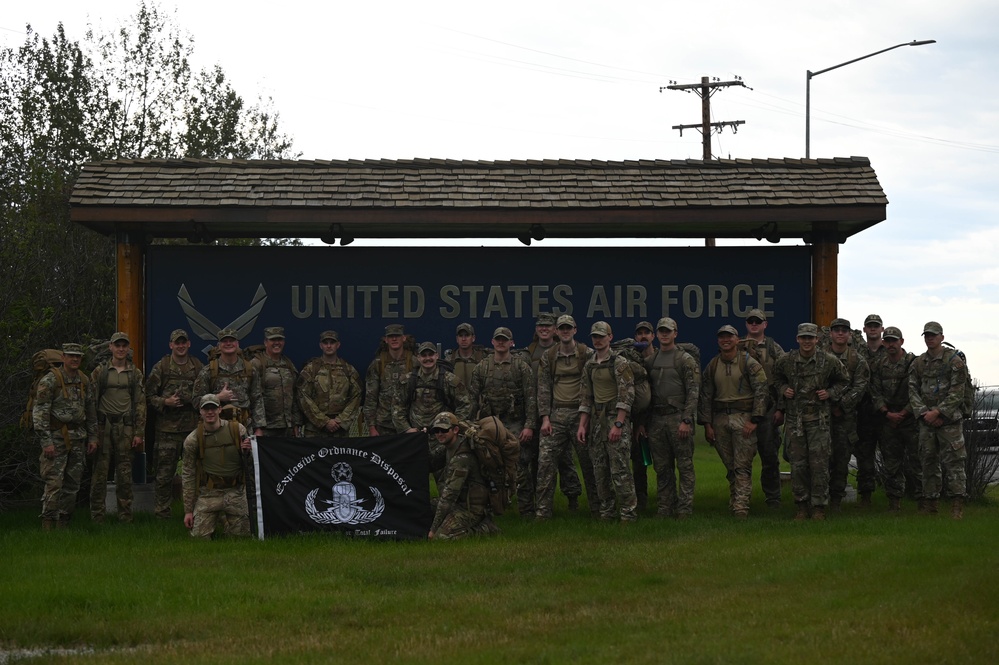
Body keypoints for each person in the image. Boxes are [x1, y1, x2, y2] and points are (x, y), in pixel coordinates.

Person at [774, 323, 849, 521]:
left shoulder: (829, 361)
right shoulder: (786, 361)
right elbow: (776, 378)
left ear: (817, 339)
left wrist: (830, 393)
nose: (807, 341)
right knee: (798, 465)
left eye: (810, 338)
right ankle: (801, 506)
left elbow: (844, 380)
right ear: (797, 339)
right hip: (795, 421)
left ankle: (818, 507)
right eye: (803, 338)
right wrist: (783, 389)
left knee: (819, 465)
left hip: (819, 421)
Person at [699, 324, 768, 518]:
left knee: (742, 466)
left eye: (729, 336)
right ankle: (735, 499)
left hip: (744, 418)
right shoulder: (713, 365)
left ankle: (741, 508)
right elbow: (706, 396)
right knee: (730, 466)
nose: (725, 340)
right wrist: (707, 424)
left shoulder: (749, 363)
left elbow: (762, 390)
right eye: (722, 337)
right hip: (720, 420)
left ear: (737, 340)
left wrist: (755, 420)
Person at [469, 326, 539, 517]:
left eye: (504, 340)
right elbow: (472, 398)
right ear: (492, 342)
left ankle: (526, 510)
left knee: (520, 466)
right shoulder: (482, 367)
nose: (501, 343)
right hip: (490, 423)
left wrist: (529, 426)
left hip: (515, 422)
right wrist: (470, 424)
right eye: (498, 339)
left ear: (511, 343)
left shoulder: (521, 367)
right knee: (489, 466)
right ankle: (492, 509)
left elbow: (531, 398)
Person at [519, 313, 583, 514]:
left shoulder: (564, 351)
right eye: (541, 326)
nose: (544, 329)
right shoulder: (529, 352)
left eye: (548, 325)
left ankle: (572, 497)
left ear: (554, 329)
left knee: (565, 460)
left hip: (560, 413)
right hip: (536, 411)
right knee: (538, 461)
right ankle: (539, 505)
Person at [33, 343, 99, 529]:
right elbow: (40, 414)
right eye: (71, 356)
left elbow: (90, 411)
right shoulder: (50, 380)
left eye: (78, 356)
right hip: (56, 438)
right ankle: (48, 525)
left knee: (72, 484)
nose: (75, 359)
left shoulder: (83, 380)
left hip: (78, 438)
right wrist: (46, 442)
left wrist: (93, 437)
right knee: (54, 483)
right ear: (63, 357)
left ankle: (64, 524)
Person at [577, 321, 637, 522]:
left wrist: (619, 424)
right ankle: (607, 512)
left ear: (610, 337)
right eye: (595, 336)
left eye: (601, 336)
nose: (598, 340)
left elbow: (626, 395)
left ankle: (628, 513)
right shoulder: (590, 364)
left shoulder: (619, 362)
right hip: (597, 421)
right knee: (600, 470)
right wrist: (582, 425)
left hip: (615, 419)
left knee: (620, 470)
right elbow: (586, 397)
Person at [536, 314, 595, 519]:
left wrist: (587, 418)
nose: (565, 331)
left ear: (575, 330)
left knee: (589, 463)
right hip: (556, 416)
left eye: (568, 328)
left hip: (581, 415)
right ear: (556, 331)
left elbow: (592, 386)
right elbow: (543, 388)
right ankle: (543, 513)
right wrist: (545, 418)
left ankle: (598, 509)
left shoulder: (586, 354)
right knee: (545, 463)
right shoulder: (549, 356)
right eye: (561, 328)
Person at [640, 317, 700, 519]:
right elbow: (645, 395)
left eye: (668, 331)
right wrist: (643, 423)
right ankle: (665, 507)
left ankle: (684, 508)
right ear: (656, 334)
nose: (664, 334)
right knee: (662, 468)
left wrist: (686, 420)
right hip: (657, 420)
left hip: (678, 418)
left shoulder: (685, 360)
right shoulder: (650, 361)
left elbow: (693, 392)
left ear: (675, 333)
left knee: (684, 466)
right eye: (661, 331)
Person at [908, 321, 969, 519]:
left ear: (942, 337)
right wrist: (925, 413)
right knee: (928, 463)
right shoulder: (918, 363)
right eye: (927, 335)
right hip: (926, 422)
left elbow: (957, 392)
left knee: (954, 464)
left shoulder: (954, 361)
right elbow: (912, 390)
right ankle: (931, 504)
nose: (930, 338)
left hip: (949, 422)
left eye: (933, 335)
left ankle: (957, 506)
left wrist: (939, 413)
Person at [89, 332, 147, 523]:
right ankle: (97, 516)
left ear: (128, 348)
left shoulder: (135, 373)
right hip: (103, 427)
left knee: (124, 473)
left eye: (124, 346)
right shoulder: (100, 372)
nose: (121, 349)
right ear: (111, 347)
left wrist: (139, 433)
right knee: (100, 473)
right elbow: (91, 403)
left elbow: (140, 404)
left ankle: (125, 516)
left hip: (125, 428)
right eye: (117, 345)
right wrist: (93, 435)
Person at [147, 328, 204, 519]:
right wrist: (166, 402)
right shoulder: (161, 367)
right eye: (177, 343)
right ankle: (162, 514)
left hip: (192, 430)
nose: (180, 346)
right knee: (164, 476)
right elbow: (148, 397)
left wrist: (192, 400)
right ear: (171, 345)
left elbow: (204, 395)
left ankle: (197, 513)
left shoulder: (197, 366)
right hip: (167, 431)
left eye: (183, 342)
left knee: (195, 474)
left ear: (189, 344)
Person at [394, 341, 472, 479]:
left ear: (436, 356)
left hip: (441, 440)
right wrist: (406, 429)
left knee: (444, 481)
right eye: (424, 355)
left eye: (430, 355)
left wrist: (452, 427)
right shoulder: (407, 381)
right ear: (418, 357)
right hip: (416, 439)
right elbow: (397, 407)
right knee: (414, 482)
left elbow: (465, 404)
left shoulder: (449, 380)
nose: (427, 358)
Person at [181, 394, 252, 538]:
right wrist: (188, 511)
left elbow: (251, 465)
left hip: (235, 492)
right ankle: (219, 517)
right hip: (209, 494)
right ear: (200, 411)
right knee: (199, 538)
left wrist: (247, 452)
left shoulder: (237, 430)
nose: (210, 412)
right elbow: (188, 474)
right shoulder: (193, 439)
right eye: (206, 409)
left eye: (213, 408)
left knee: (241, 537)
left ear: (219, 409)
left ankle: (225, 520)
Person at [869, 326, 921, 512]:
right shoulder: (878, 365)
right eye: (888, 341)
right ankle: (894, 502)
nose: (891, 344)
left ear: (902, 342)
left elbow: (918, 391)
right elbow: (874, 391)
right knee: (891, 464)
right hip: (889, 421)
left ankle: (924, 501)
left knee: (918, 462)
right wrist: (887, 413)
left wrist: (904, 413)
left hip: (911, 420)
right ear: (883, 343)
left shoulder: (914, 363)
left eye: (894, 341)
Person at [427, 412, 500, 540]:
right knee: (423, 508)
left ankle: (486, 528)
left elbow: (449, 496)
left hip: (470, 509)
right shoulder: (448, 447)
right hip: (456, 504)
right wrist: (422, 441)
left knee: (442, 537)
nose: (439, 434)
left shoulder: (462, 458)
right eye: (436, 430)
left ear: (455, 430)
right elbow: (430, 464)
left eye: (444, 430)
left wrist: (433, 530)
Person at [742, 307, 786, 508]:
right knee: (741, 458)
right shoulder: (738, 346)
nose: (754, 324)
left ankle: (773, 498)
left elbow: (784, 378)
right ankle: (741, 498)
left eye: (758, 321)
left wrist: (781, 409)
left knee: (769, 455)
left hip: (769, 408)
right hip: (744, 408)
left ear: (765, 324)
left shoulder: (774, 348)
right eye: (751, 321)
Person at [826, 318, 870, 511]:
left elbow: (860, 388)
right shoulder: (820, 357)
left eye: (844, 330)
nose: (840, 333)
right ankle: (819, 499)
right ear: (830, 334)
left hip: (845, 418)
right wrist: (829, 405)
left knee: (841, 459)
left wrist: (841, 406)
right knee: (820, 459)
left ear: (850, 335)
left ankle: (836, 500)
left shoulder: (857, 360)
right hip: (822, 416)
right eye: (836, 330)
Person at [193, 328, 266, 435]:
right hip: (216, 430)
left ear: (237, 344)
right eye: (224, 341)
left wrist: (259, 428)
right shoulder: (209, 371)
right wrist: (217, 397)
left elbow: (257, 399)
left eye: (231, 340)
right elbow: (196, 401)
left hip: (245, 429)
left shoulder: (250, 369)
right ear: (219, 345)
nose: (228, 343)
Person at [297, 330, 362, 437]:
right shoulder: (311, 369)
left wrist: (340, 420)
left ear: (338, 345)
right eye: (325, 343)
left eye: (332, 342)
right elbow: (302, 396)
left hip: (340, 430)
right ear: (320, 345)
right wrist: (324, 421)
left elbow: (356, 396)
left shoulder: (348, 370)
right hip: (315, 430)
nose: (328, 346)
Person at [854, 313, 886, 506]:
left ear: (882, 329)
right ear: (864, 329)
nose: (873, 328)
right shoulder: (857, 352)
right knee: (864, 457)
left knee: (891, 456)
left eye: (876, 325)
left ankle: (895, 499)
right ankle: (865, 497)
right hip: (864, 411)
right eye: (870, 325)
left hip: (885, 412)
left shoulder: (890, 349)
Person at [363, 324, 416, 437]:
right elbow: (370, 398)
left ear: (403, 338)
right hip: (383, 425)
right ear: (386, 340)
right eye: (391, 336)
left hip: (408, 424)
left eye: (397, 336)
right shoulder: (377, 364)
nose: (394, 339)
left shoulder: (414, 362)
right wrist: (371, 427)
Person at [250, 326, 301, 437]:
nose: (277, 343)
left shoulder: (288, 364)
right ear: (265, 342)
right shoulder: (257, 363)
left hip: (287, 427)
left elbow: (294, 395)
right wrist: (258, 427)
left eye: (280, 340)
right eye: (273, 340)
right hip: (266, 428)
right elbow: (254, 396)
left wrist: (296, 423)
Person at [629, 320, 656, 512]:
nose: (643, 336)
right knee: (639, 463)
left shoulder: (659, 358)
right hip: (640, 419)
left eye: (647, 333)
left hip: (659, 416)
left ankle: (667, 501)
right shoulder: (633, 361)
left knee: (664, 463)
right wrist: (640, 423)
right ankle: (641, 500)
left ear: (653, 336)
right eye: (640, 333)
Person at [444, 322, 487, 388]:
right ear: (457, 339)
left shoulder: (483, 358)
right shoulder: (449, 360)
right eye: (460, 336)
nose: (463, 339)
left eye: (467, 335)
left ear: (473, 338)